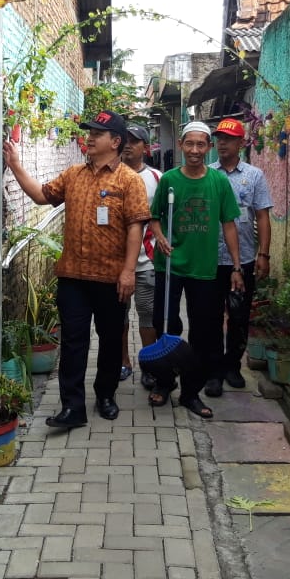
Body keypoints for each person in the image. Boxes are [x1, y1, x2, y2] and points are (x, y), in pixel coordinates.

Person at [3, 109, 149, 428]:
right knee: (73, 341)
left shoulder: (130, 180)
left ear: (116, 141)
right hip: (73, 277)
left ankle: (106, 394)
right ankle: (73, 407)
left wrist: (128, 272)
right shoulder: (73, 175)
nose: (90, 137)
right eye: (89, 132)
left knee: (111, 340)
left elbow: (136, 227)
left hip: (111, 278)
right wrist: (14, 164)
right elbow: (42, 196)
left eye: (98, 133)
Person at [148, 121, 243, 418]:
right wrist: (160, 236)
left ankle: (191, 393)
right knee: (166, 326)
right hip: (171, 265)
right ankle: (164, 382)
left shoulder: (218, 182)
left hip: (204, 268)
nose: (194, 150)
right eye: (189, 144)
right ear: (181, 144)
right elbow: (154, 217)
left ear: (208, 147)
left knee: (203, 332)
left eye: (201, 144)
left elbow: (229, 225)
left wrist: (237, 267)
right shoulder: (169, 180)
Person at [210, 117, 274, 395]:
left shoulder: (254, 175)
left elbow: (262, 215)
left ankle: (232, 366)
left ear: (240, 143)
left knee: (238, 315)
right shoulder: (207, 173)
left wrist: (264, 254)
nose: (221, 143)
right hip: (210, 259)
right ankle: (212, 371)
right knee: (210, 317)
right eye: (219, 138)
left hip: (244, 258)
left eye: (228, 138)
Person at [119, 125, 161, 386]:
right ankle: (123, 362)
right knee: (118, 317)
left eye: (135, 142)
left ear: (145, 148)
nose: (128, 145)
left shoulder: (158, 178)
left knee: (147, 314)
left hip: (147, 262)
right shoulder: (112, 175)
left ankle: (149, 364)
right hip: (116, 262)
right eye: (125, 140)